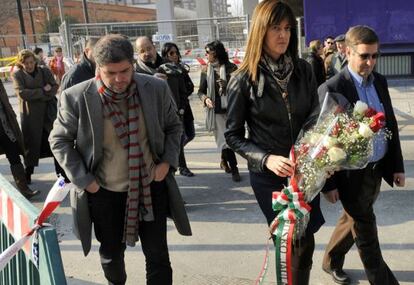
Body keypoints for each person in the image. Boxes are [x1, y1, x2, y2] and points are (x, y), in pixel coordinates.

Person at [49, 34, 192, 285]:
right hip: (104, 192)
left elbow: (173, 127)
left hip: (150, 186)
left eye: (125, 71)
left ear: (133, 63)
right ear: (97, 69)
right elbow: (59, 141)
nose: (119, 79)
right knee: (112, 256)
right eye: (110, 73)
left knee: (158, 255)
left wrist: (166, 164)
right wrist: (86, 181)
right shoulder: (76, 97)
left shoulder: (155, 89)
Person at [225, 1, 336, 283]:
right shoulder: (243, 78)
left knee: (307, 240)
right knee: (289, 242)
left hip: (305, 172)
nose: (283, 35)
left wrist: (321, 154)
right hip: (269, 177)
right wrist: (266, 159)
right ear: (261, 31)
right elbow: (233, 136)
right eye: (275, 28)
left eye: (287, 28)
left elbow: (314, 119)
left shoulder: (304, 69)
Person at [319, 25, 404, 285]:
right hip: (349, 176)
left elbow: (389, 123)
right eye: (364, 56)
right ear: (348, 52)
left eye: (375, 56)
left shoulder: (380, 81)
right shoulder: (333, 87)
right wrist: (329, 184)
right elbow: (324, 141)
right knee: (366, 231)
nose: (370, 62)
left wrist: (397, 166)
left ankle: (331, 260)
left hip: (376, 169)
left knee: (354, 217)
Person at [12, 49, 64, 184]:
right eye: (25, 63)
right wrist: (42, 91)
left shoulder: (44, 71)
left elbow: (54, 88)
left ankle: (61, 176)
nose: (29, 65)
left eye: (31, 62)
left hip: (48, 114)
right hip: (30, 116)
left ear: (35, 61)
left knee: (55, 143)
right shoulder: (18, 75)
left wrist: (41, 93)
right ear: (21, 63)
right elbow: (22, 93)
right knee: (31, 146)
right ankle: (28, 174)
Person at [198, 40, 240, 182]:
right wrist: (205, 99)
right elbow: (200, 91)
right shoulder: (205, 70)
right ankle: (235, 169)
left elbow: (241, 88)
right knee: (225, 140)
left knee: (229, 138)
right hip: (216, 111)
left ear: (215, 54)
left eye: (208, 52)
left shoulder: (231, 68)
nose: (206, 55)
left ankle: (223, 160)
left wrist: (227, 84)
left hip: (232, 109)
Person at [159, 42, 195, 177]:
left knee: (190, 134)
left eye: (176, 52)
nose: (174, 56)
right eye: (171, 53)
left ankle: (174, 152)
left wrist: (185, 92)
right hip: (174, 109)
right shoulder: (163, 70)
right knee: (180, 137)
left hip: (185, 107)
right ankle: (182, 166)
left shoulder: (181, 69)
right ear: (165, 55)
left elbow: (189, 87)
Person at [0, 80, 39, 199]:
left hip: (4, 125)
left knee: (14, 155)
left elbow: (5, 101)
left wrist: (11, 116)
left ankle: (24, 190)